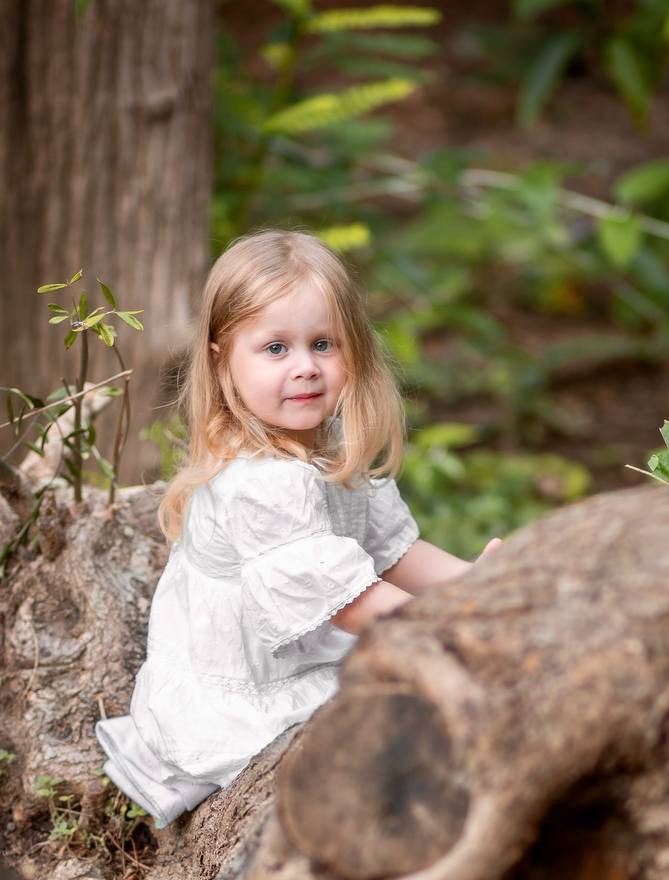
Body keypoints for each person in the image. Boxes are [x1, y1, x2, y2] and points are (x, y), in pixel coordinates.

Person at [96, 229, 500, 828]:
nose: (305, 368)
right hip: (247, 688)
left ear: (353, 351)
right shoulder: (261, 481)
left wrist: (474, 585)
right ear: (222, 360)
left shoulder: (330, 443)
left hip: (305, 638)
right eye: (276, 349)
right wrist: (451, 628)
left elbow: (392, 552)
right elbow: (350, 603)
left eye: (322, 344)